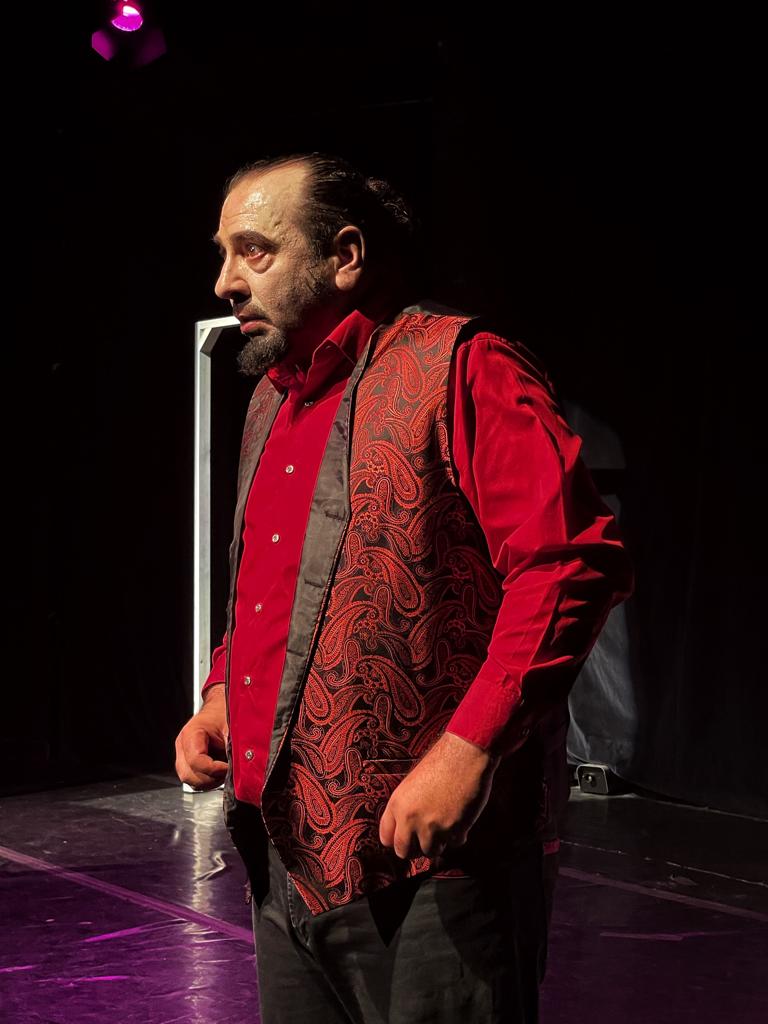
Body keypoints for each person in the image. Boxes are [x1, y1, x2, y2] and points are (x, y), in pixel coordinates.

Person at [174, 152, 634, 1023]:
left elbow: (568, 562)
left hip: (435, 869)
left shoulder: (464, 366)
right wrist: (224, 691)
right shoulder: (271, 401)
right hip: (286, 857)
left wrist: (470, 748)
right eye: (223, 253)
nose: (225, 280)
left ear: (345, 255)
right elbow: (272, 585)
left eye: (254, 251)